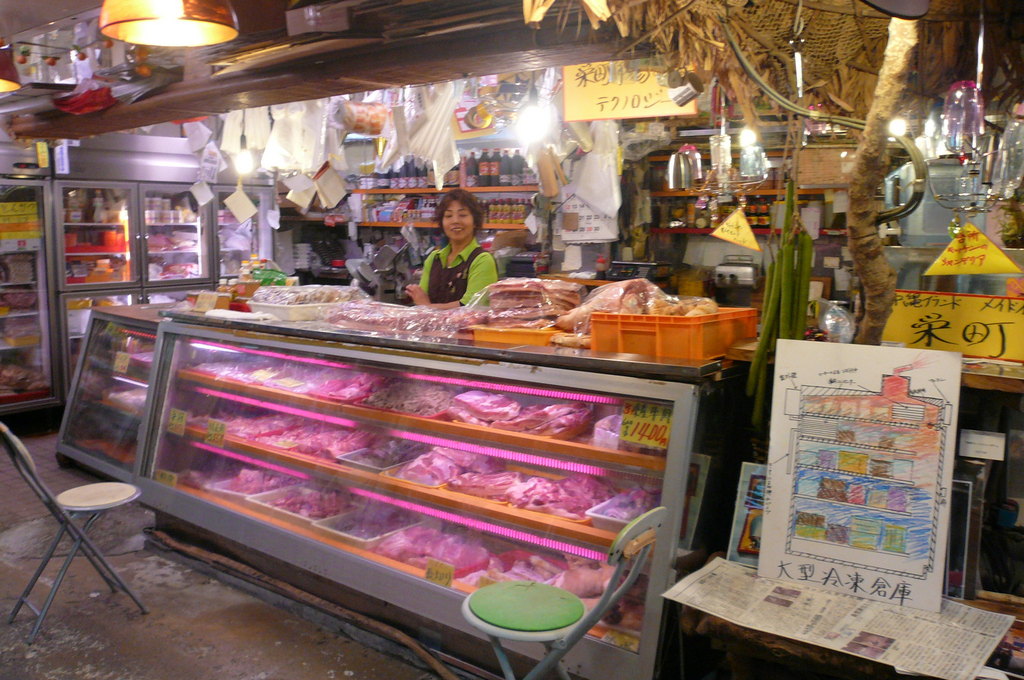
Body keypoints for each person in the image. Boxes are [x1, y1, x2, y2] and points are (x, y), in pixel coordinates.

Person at [405, 189, 498, 308]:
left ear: (475, 221)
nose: (455, 221)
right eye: (448, 216)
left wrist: (427, 307)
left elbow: (471, 307)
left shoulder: (482, 260)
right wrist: (423, 304)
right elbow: (420, 299)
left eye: (463, 215)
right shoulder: (434, 258)